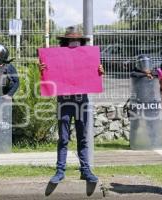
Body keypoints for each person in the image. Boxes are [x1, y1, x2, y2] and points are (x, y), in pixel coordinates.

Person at [39, 26, 104, 184]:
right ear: (65, 42)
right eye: (70, 40)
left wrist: (99, 71)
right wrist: (43, 70)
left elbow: (94, 74)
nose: (73, 43)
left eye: (76, 40)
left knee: (83, 137)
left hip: (82, 101)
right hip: (64, 101)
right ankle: (60, 171)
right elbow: (49, 75)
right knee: (63, 138)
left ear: (81, 42)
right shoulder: (57, 58)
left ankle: (85, 170)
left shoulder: (87, 57)